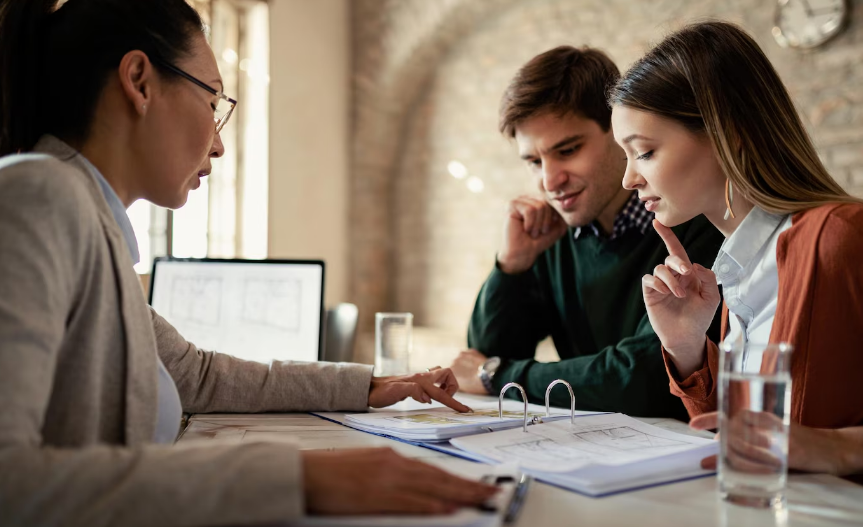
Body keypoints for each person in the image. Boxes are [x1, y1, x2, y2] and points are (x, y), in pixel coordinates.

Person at [0, 1, 498, 525]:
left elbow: (197, 375)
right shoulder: (39, 196)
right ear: (140, 81)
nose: (217, 144)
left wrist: (365, 386)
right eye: (213, 102)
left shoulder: (89, 225)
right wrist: (300, 478)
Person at [608, 21, 863, 477]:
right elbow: (737, 440)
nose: (628, 179)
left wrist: (840, 449)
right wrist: (687, 347)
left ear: (729, 134)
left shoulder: (841, 237)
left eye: (643, 152)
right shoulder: (737, 267)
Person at [449, 46, 724, 418]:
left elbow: (645, 378)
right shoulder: (551, 235)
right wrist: (511, 266)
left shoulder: (697, 218)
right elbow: (483, 357)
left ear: (619, 131)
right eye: (533, 161)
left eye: (567, 150)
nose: (549, 181)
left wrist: (500, 376)